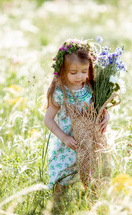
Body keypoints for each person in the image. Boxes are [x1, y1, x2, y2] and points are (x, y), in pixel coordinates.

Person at [44, 39, 110, 202]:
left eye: (83, 71)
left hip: (89, 142)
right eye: (73, 73)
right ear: (62, 70)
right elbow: (48, 119)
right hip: (69, 143)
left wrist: (106, 116)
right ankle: (57, 205)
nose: (79, 76)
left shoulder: (90, 87)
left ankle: (91, 202)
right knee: (64, 175)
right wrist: (64, 138)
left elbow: (100, 108)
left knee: (92, 172)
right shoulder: (60, 92)